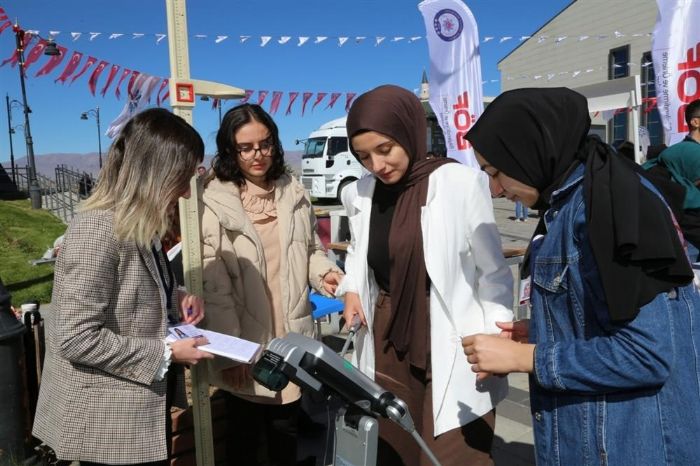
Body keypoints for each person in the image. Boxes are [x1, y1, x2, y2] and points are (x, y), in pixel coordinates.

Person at [462, 88, 700, 466]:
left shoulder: (605, 207)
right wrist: (547, 327)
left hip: (628, 444)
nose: (494, 189)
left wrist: (526, 357)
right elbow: (607, 311)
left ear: (529, 152)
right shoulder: (580, 196)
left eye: (496, 171)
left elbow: (647, 354)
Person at [337, 85, 514, 466]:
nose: (377, 165)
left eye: (385, 149)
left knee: (453, 451)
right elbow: (357, 252)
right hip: (387, 333)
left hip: (454, 333)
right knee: (392, 440)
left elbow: (494, 272)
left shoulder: (458, 183)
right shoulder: (359, 193)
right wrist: (351, 288)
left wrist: (497, 338)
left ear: (408, 132)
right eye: (364, 156)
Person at [32, 108, 213, 466]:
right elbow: (73, 336)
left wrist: (176, 298)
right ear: (155, 174)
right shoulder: (98, 230)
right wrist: (167, 354)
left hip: (135, 411)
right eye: (182, 177)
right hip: (106, 423)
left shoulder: (138, 224)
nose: (186, 193)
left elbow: (126, 289)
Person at [200, 103, 343, 466]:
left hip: (292, 333)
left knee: (288, 435)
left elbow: (311, 248)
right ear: (230, 150)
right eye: (245, 148)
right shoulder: (215, 200)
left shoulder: (292, 190)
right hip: (246, 340)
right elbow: (213, 284)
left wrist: (324, 272)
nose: (257, 155)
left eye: (264, 144)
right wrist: (230, 350)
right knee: (245, 442)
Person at [643, 99, 700, 257]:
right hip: (691, 237)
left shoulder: (676, 150)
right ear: (695, 122)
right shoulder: (693, 152)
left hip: (675, 235)